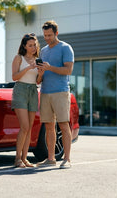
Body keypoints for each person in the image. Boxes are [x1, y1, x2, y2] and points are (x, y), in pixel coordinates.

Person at [36, 20, 74, 169]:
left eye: (49, 35)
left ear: (56, 33)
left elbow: (68, 70)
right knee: (49, 126)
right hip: (45, 92)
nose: (47, 38)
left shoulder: (66, 48)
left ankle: (67, 159)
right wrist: (40, 73)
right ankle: (51, 158)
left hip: (61, 92)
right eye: (45, 35)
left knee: (64, 125)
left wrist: (50, 67)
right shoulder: (43, 51)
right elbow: (41, 77)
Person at [11, 33, 43, 168]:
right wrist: (29, 67)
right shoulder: (19, 58)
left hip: (33, 91)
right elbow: (14, 77)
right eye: (30, 45)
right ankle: (17, 158)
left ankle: (24, 159)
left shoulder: (38, 59)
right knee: (24, 126)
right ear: (24, 46)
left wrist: (41, 73)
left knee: (29, 128)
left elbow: (38, 81)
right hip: (20, 90)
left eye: (34, 44)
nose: (33, 47)